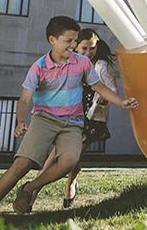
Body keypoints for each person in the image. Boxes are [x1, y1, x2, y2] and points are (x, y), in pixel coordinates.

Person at [0, 17, 138, 230]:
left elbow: (100, 88)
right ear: (52, 40)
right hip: (45, 119)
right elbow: (24, 100)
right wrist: (21, 121)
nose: (73, 45)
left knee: (69, 162)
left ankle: (29, 188)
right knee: (21, 165)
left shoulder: (82, 63)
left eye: (75, 40)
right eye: (68, 41)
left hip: (73, 123)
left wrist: (121, 102)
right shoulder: (39, 67)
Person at [34, 29, 117, 208]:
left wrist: (103, 99)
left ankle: (63, 185)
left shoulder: (101, 66)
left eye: (92, 48)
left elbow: (112, 90)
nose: (89, 52)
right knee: (57, 154)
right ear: (76, 47)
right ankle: (34, 191)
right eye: (84, 48)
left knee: (72, 156)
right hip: (72, 115)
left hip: (91, 119)